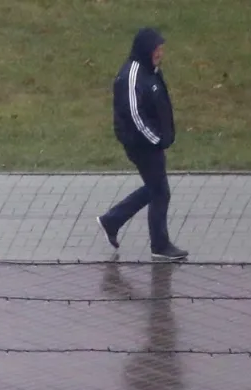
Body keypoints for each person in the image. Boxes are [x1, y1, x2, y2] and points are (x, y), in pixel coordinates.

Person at [98, 27, 188, 262]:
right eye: (157, 49)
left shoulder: (151, 71)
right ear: (146, 49)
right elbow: (134, 115)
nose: (160, 53)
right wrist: (156, 139)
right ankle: (158, 245)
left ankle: (113, 221)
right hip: (141, 144)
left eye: (161, 49)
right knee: (159, 190)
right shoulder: (132, 76)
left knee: (156, 189)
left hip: (150, 143)